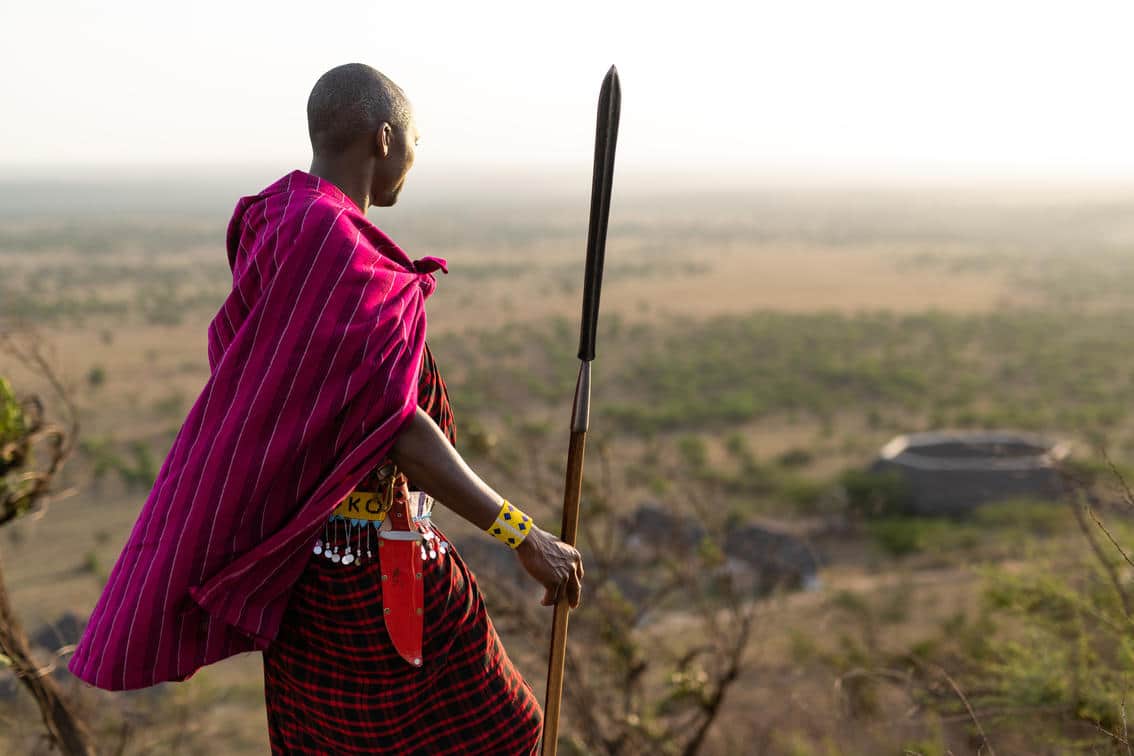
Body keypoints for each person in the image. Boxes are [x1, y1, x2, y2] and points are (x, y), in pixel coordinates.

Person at [68, 63, 584, 755]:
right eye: (414, 143)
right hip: (375, 585)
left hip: (303, 582)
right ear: (383, 138)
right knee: (508, 735)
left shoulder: (278, 224)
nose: (411, 160)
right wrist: (524, 534)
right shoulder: (336, 248)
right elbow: (393, 425)